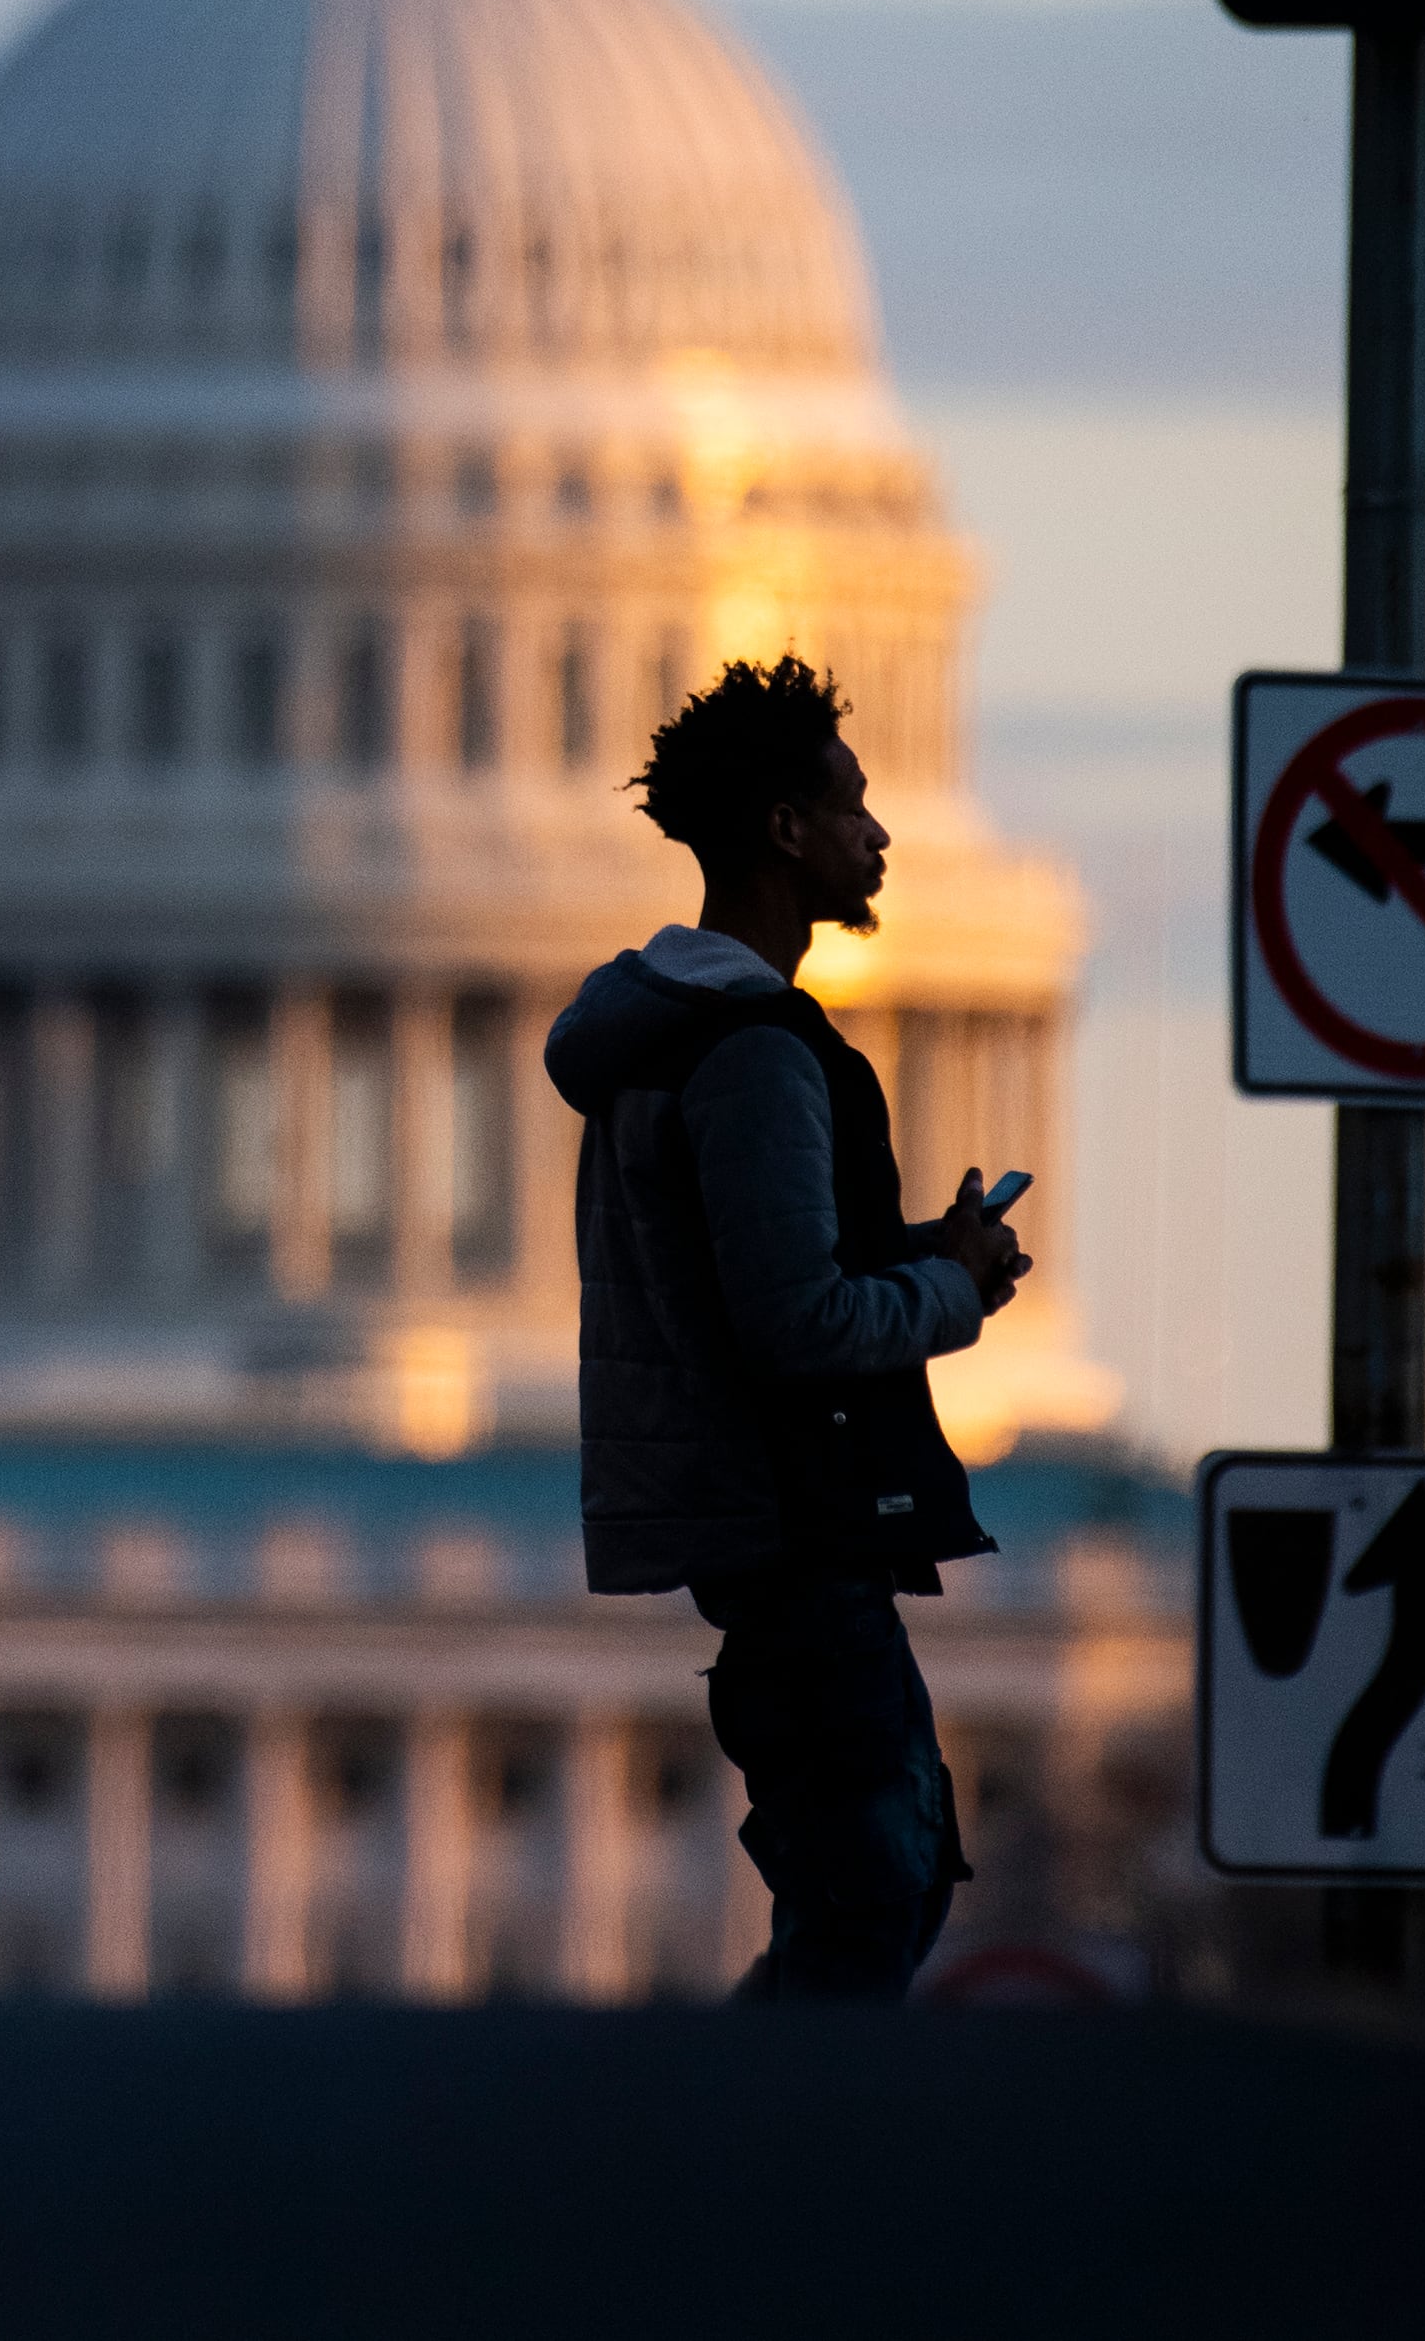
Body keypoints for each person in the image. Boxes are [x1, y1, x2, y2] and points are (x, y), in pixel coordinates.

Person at [542, 655, 1031, 2001]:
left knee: (870, 1881)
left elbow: (751, 1279)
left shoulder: (667, 1040)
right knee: (876, 1885)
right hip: (797, 1523)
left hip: (760, 1526)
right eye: (853, 805)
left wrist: (918, 1252)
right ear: (783, 830)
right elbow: (796, 1323)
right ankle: (755, 2149)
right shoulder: (757, 1049)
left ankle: (760, 2138)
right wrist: (961, 1290)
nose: (879, 836)